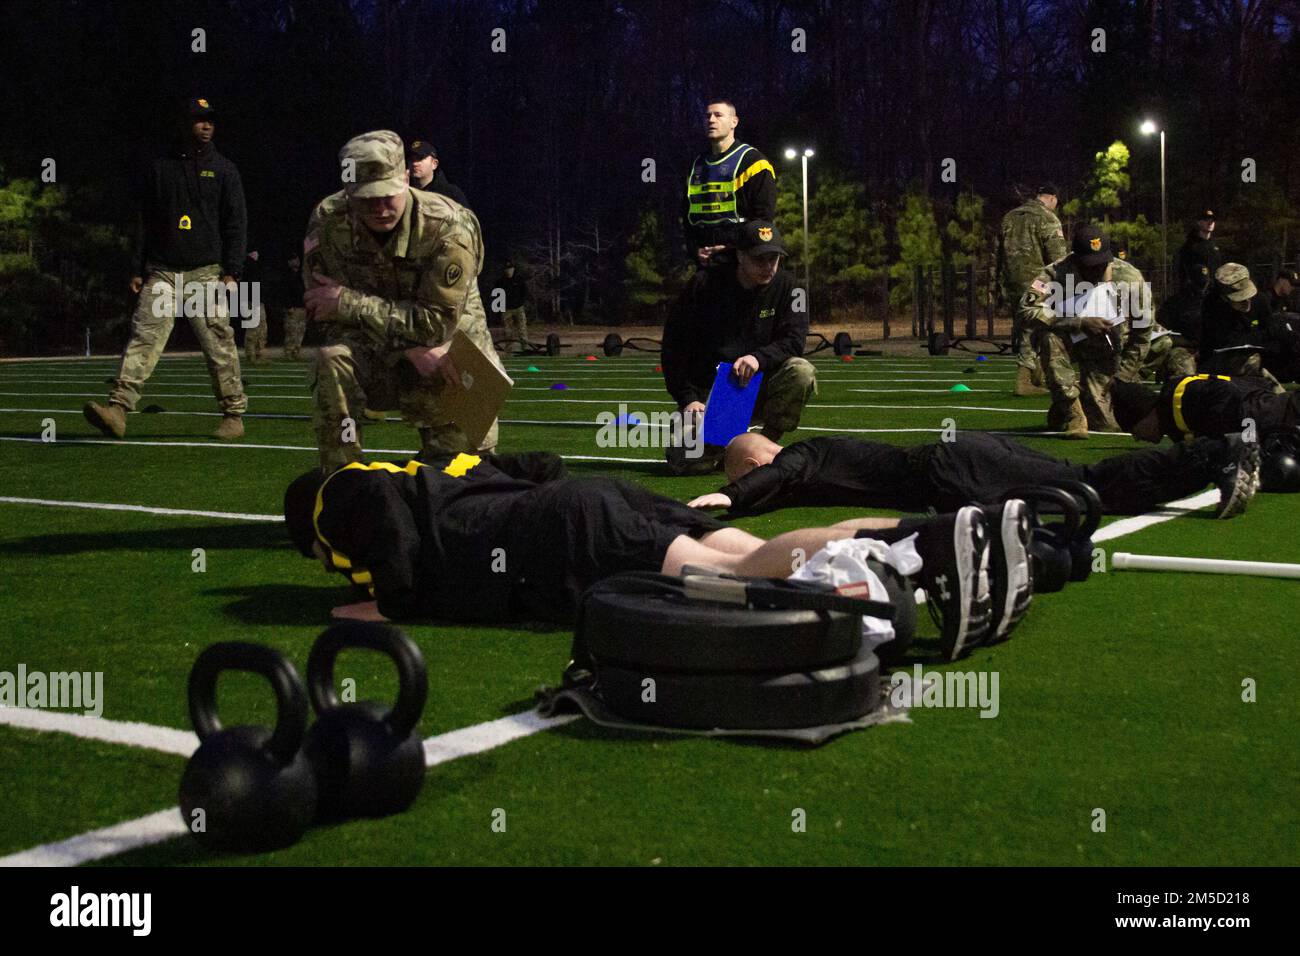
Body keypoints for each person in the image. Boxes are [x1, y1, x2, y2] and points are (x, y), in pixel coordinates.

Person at [282, 451, 1012, 660]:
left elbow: (372, 511)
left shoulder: (342, 491)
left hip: (566, 536)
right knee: (761, 553)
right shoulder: (431, 473)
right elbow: (540, 464)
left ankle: (934, 544)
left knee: (736, 574)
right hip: (583, 505)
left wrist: (391, 601)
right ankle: (939, 532)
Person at [303, 130, 502, 474]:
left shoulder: (449, 226)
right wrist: (407, 348)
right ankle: (342, 481)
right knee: (331, 358)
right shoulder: (329, 222)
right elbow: (323, 314)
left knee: (465, 476)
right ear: (348, 191)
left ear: (406, 179)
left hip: (448, 354)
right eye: (367, 198)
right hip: (382, 354)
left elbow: (436, 324)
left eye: (388, 195)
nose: (380, 208)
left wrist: (350, 304)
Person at [84, 96, 247, 441]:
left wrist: (232, 270)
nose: (206, 125)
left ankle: (233, 414)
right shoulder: (160, 167)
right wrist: (136, 267)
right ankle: (118, 410)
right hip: (162, 272)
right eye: (199, 119)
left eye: (210, 120)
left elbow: (236, 223)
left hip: (205, 273)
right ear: (184, 124)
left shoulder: (225, 170)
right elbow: (144, 220)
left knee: (219, 345)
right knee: (144, 338)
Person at [687, 428, 1259, 522]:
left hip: (953, 470)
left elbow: (779, 474)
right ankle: (1213, 462)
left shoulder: (802, 454)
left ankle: (1219, 452)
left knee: (1087, 484)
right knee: (1085, 491)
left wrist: (728, 496)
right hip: (959, 464)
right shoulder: (806, 470)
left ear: (756, 463)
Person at [660, 220, 816, 473]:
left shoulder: (791, 287)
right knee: (686, 463)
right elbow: (674, 346)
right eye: (759, 259)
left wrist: (758, 358)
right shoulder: (703, 285)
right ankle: (723, 440)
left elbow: (794, 341)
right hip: (716, 391)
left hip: (761, 382)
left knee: (801, 371)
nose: (768, 266)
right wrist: (689, 399)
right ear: (740, 255)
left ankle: (762, 444)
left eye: (773, 259)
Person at [1018, 225, 1153, 437]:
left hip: (1108, 352)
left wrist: (1123, 376)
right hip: (1069, 342)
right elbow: (1026, 309)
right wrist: (1077, 322)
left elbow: (1142, 334)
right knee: (1049, 338)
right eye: (1089, 265)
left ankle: (1070, 405)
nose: (1095, 270)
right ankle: (1071, 409)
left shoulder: (1130, 279)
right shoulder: (1054, 274)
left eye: (1101, 264)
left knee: (1108, 425)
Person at [683, 100, 776, 268]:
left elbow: (763, 220)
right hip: (704, 262)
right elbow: (687, 215)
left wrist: (733, 250)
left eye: (718, 115)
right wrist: (694, 250)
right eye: (707, 116)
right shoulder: (696, 165)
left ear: (734, 122)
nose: (711, 120)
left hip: (741, 263)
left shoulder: (754, 162)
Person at [997, 184, 1067, 396]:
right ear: (1053, 198)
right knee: (1035, 327)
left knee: (1023, 328)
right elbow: (1058, 258)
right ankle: (1024, 379)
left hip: (1012, 282)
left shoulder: (1009, 217)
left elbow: (998, 255)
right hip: (1039, 283)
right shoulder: (1048, 218)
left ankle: (1037, 375)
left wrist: (998, 284)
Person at [1111, 374, 1299, 445]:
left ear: (1144, 416)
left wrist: (1224, 440)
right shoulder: (1174, 423)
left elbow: (1227, 391)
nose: (1137, 438)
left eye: (1134, 430)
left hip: (1278, 415)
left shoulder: (1179, 398)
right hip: (1273, 416)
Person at [1198, 263, 1285, 393]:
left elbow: (1272, 329)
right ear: (1224, 297)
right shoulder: (1212, 307)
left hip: (1259, 357)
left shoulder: (1259, 300)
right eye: (1240, 299)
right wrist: (1261, 336)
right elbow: (1226, 342)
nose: (1247, 302)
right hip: (1221, 362)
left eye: (1249, 297)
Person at [407, 138, 468, 206]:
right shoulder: (403, 192)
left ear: (434, 164)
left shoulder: (451, 194)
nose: (414, 163)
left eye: (420, 158)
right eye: (411, 159)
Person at [495, 260, 530, 352]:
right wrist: (498, 309)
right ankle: (509, 348)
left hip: (518, 307)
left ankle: (525, 346)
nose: (508, 271)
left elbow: (525, 292)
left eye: (510, 269)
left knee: (522, 328)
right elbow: (496, 295)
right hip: (506, 309)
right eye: (507, 269)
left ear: (513, 269)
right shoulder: (500, 282)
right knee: (508, 330)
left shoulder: (519, 280)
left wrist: (522, 302)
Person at [242, 247, 268, 365]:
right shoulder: (249, 265)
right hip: (252, 299)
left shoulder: (255, 265)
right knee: (253, 328)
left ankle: (259, 354)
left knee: (261, 328)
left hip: (256, 299)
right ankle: (251, 355)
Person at [282, 253, 307, 360]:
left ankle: (296, 352)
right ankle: (289, 352)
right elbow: (285, 292)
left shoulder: (300, 276)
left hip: (302, 307)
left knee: (300, 331)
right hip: (293, 308)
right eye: (294, 259)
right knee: (292, 331)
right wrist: (288, 306)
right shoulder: (287, 276)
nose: (297, 261)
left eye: (297, 259)